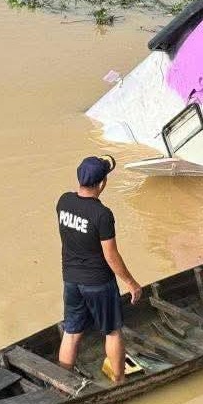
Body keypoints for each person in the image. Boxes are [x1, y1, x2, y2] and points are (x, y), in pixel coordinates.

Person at [56, 155, 143, 384]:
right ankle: (120, 383)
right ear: (102, 183)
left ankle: (62, 382)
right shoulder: (102, 215)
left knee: (72, 332)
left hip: (71, 280)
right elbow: (111, 255)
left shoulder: (63, 202)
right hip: (97, 282)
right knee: (112, 331)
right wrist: (131, 283)